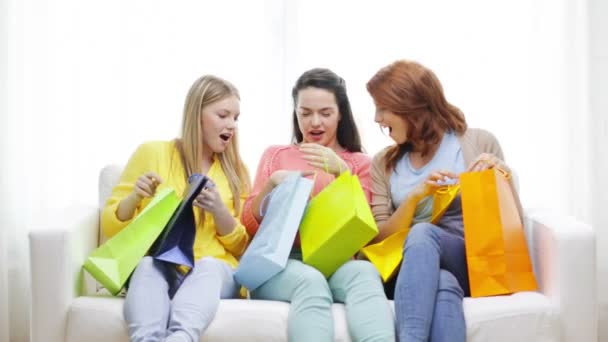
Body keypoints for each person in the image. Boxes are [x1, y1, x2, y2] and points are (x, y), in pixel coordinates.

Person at [366, 59, 522, 342]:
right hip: (408, 269)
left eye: (382, 108)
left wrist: (502, 174)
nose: (377, 119)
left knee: (424, 233)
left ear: (410, 107)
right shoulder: (383, 163)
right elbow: (378, 238)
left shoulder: (478, 143)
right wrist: (414, 197)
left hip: (470, 261)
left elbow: (513, 222)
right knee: (443, 282)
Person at [241, 68, 395, 342]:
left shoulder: (359, 163)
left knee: (364, 271)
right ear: (295, 113)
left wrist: (342, 174)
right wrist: (272, 184)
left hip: (337, 262)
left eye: (325, 113)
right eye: (305, 113)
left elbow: (365, 230)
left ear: (340, 114)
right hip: (280, 263)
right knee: (309, 282)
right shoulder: (275, 156)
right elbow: (250, 226)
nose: (315, 122)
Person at [101, 75, 251, 342]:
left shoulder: (237, 172)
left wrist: (220, 212)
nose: (232, 125)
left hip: (215, 272)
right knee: (147, 265)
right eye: (223, 115)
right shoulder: (152, 153)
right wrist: (134, 197)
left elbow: (243, 248)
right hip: (164, 267)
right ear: (197, 115)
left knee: (208, 266)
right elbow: (111, 228)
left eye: (236, 118)